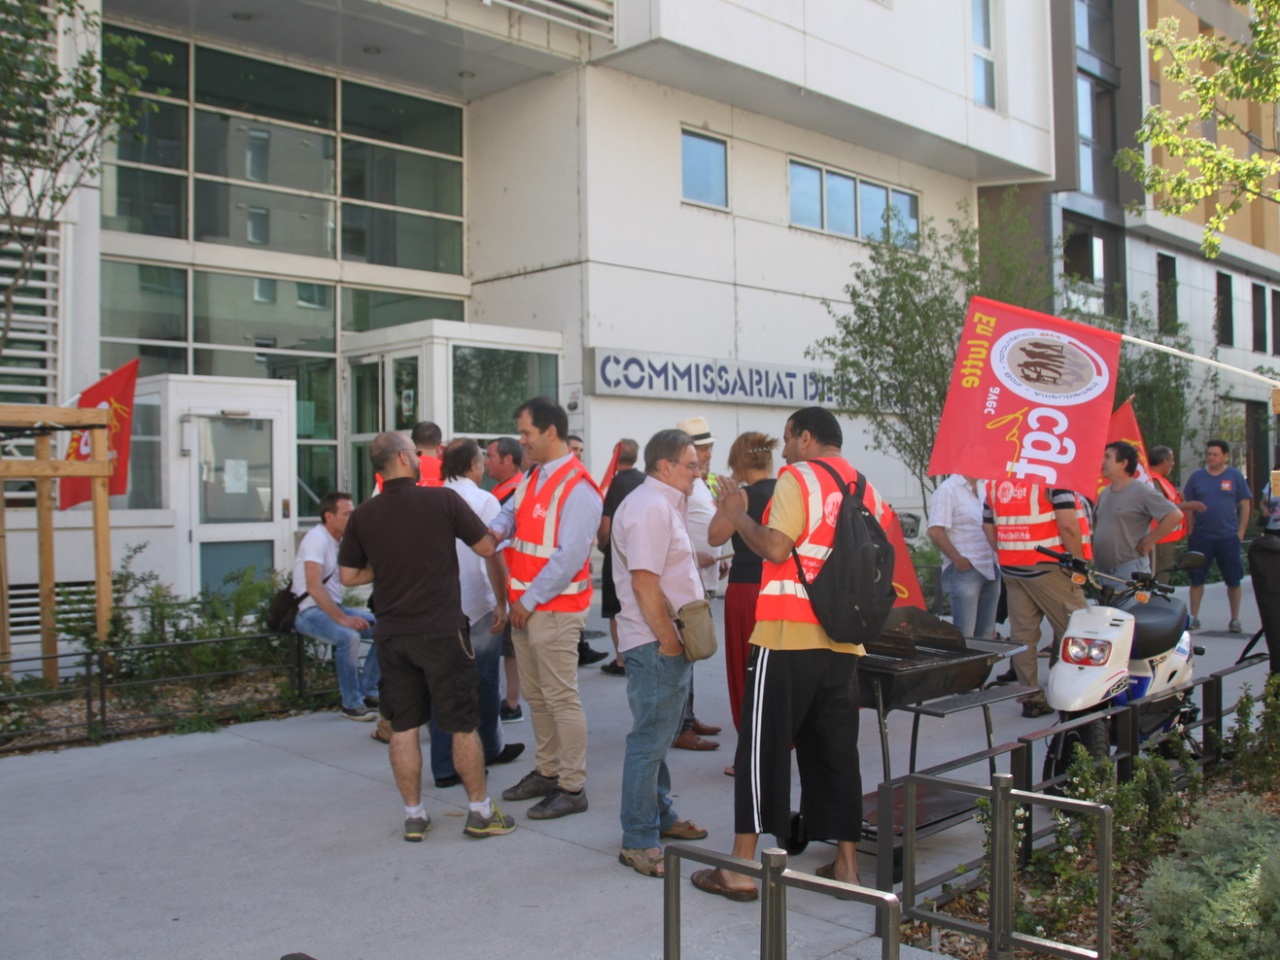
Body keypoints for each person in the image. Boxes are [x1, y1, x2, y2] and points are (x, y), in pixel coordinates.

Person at [696, 407, 888, 900]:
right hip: (843, 641)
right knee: (836, 753)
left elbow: (777, 548)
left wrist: (738, 512)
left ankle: (740, 868)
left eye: (787, 439)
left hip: (785, 637)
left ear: (806, 438)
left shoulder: (797, 477)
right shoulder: (865, 487)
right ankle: (846, 867)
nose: (782, 450)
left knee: (761, 750)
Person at [338, 431, 516, 842]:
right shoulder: (443, 501)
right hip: (441, 632)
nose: (421, 459)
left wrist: (388, 565)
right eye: (415, 454)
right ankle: (479, 811)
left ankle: (414, 815)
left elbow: (348, 575)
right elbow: (488, 547)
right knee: (460, 724)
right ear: (403, 458)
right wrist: (510, 520)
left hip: (393, 634)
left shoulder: (364, 514)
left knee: (403, 726)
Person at [490, 397, 603, 820]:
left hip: (552, 609)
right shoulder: (534, 476)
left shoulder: (579, 488)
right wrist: (495, 529)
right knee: (538, 697)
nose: (522, 442)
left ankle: (572, 787)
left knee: (560, 698)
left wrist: (526, 601)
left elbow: (569, 557)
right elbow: (511, 514)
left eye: (526, 434)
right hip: (528, 607)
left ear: (550, 432)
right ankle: (547, 771)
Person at [612, 429, 711, 877]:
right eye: (691, 464)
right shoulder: (650, 507)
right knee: (650, 741)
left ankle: (661, 818)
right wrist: (669, 641)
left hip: (663, 638)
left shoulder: (661, 504)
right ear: (664, 466)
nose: (698, 471)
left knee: (658, 736)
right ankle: (638, 840)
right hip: (655, 642)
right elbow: (644, 582)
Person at [428, 440, 525, 788]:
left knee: (443, 685)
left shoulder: (431, 497)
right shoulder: (484, 500)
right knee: (483, 681)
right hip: (478, 603)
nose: (484, 467)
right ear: (472, 464)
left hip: (440, 605)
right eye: (481, 461)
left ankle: (443, 764)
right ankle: (484, 750)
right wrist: (502, 601)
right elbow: (492, 553)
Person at [983, 482, 1091, 718]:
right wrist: (1078, 564)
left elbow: (988, 527)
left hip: (1013, 567)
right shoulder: (1052, 477)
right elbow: (1068, 526)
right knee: (1079, 630)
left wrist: (1008, 553)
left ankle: (1031, 699)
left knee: (1023, 636)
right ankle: (1077, 695)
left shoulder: (996, 481)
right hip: (1050, 567)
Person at [707, 431, 778, 741]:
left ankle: (751, 746)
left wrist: (727, 503)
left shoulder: (742, 497)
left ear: (738, 461)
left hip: (747, 589)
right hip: (782, 589)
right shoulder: (787, 491)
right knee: (776, 668)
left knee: (745, 668)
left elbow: (714, 537)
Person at [291, 491, 380, 721]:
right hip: (308, 612)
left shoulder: (341, 541)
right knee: (348, 637)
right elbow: (313, 586)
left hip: (332, 607)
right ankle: (351, 703)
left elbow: (350, 578)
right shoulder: (316, 539)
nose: (352, 518)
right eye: (346, 513)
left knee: (387, 628)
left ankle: (370, 691)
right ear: (329, 516)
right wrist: (343, 619)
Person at [671, 415, 725, 751]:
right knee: (685, 652)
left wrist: (719, 560)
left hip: (701, 580)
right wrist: (695, 555)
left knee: (690, 654)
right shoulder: (681, 484)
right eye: (702, 448)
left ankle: (687, 717)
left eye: (708, 447)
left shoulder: (701, 481)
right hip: (685, 583)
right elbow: (673, 527)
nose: (707, 454)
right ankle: (681, 725)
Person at [1183, 439, 1252, 632]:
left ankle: (1235, 619)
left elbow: (1245, 504)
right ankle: (1194, 617)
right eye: (1209, 454)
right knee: (1197, 579)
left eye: (1215, 454)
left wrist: (1240, 533)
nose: (1211, 458)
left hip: (1228, 536)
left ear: (1225, 456)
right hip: (1201, 536)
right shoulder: (1197, 477)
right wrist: (1190, 530)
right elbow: (1188, 505)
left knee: (1233, 580)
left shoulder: (1235, 476)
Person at [1094, 441, 1182, 581]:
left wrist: (1150, 540)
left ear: (1123, 463)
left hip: (1129, 572)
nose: (1102, 462)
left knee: (1132, 604)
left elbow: (1174, 515)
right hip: (1104, 574)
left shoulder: (1142, 491)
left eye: (1107, 457)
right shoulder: (1104, 494)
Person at [927, 475, 1000, 640]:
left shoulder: (985, 487)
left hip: (991, 565)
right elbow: (935, 530)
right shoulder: (948, 489)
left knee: (986, 635)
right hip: (966, 568)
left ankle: (982, 666)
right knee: (965, 634)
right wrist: (959, 561)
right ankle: (964, 666)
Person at [486, 436, 526, 722]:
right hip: (508, 579)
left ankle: (512, 703)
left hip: (511, 580)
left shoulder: (513, 491)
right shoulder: (506, 489)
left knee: (512, 647)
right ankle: (511, 702)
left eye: (490, 457)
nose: (486, 462)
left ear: (508, 460)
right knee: (510, 646)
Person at [597, 439, 645, 677]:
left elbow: (605, 526)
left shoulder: (615, 483)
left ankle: (621, 661)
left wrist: (601, 544)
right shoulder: (646, 480)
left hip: (617, 555)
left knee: (616, 610)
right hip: (643, 553)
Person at [565, 433, 609, 667]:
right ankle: (578, 648)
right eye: (574, 448)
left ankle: (580, 647)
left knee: (578, 604)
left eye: (581, 449)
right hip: (565, 558)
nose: (579, 453)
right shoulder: (565, 480)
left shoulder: (582, 479)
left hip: (580, 555)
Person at [1147, 445, 1192, 581]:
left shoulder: (1160, 480)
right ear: (1163, 461)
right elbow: (1160, 508)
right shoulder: (1153, 481)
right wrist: (1187, 505)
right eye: (1171, 460)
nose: (1173, 463)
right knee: (1159, 579)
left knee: (1164, 577)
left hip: (1165, 539)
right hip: (1159, 542)